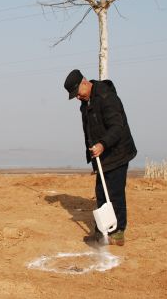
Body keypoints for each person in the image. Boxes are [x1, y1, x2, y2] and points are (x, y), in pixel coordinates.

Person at [64, 69, 137, 246]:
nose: (77, 98)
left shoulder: (106, 97)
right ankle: (103, 231)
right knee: (101, 193)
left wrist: (102, 144)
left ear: (84, 83)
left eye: (77, 93)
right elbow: (89, 130)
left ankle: (118, 232)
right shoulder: (85, 102)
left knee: (115, 193)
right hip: (102, 154)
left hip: (118, 152)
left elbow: (117, 127)